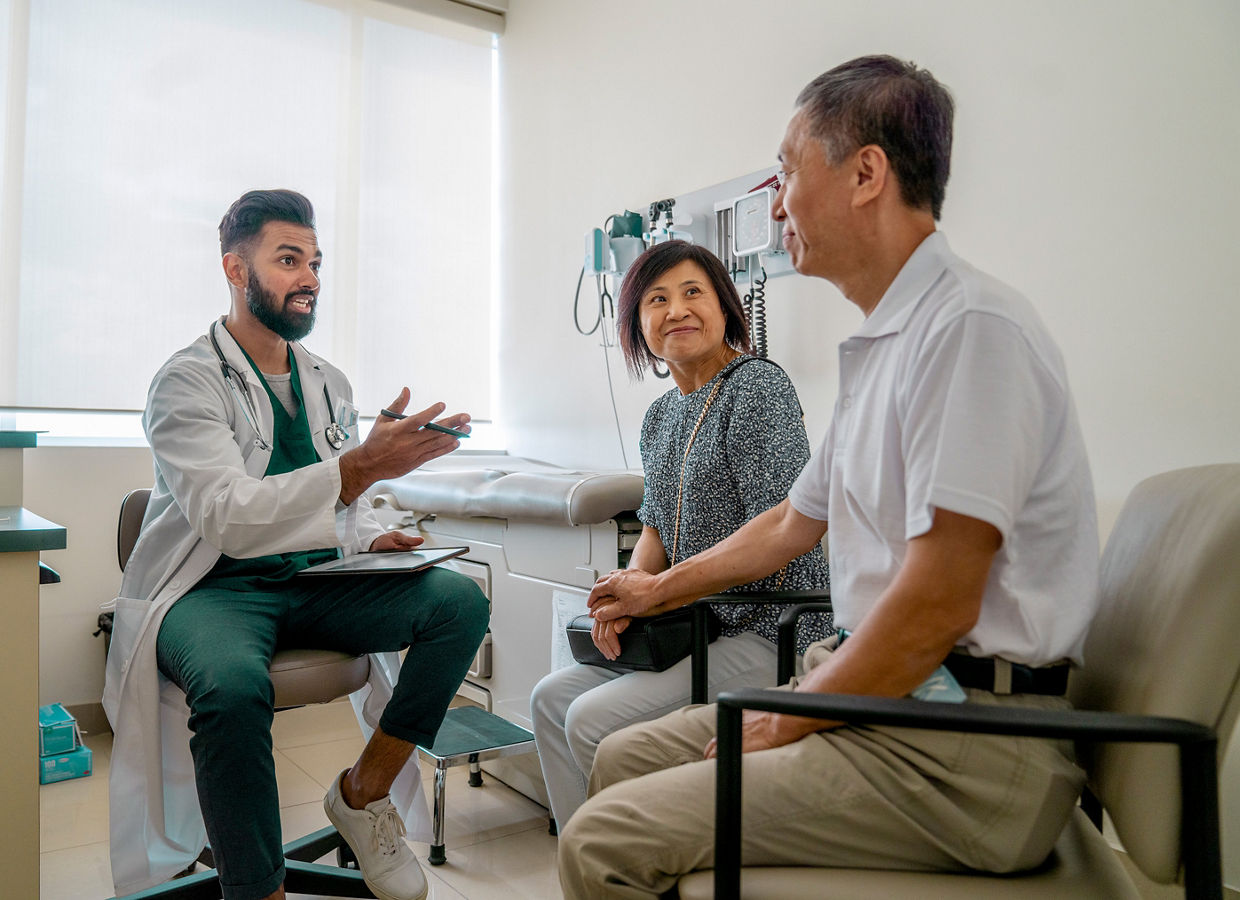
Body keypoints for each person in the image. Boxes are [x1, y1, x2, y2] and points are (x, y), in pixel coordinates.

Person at [558, 55, 1101, 899]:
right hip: (890, 698)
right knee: (622, 753)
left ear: (865, 174)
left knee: (602, 842)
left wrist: (797, 712)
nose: (773, 202)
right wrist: (649, 593)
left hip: (961, 742)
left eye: (784, 171)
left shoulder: (969, 331)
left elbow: (938, 602)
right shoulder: (884, 345)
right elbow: (787, 523)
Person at [102, 189, 490, 900]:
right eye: (288, 259)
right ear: (234, 267)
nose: (309, 276)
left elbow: (341, 499)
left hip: (315, 585)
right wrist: (360, 467)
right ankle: (258, 890)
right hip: (209, 589)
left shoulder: (326, 381)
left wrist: (377, 530)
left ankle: (363, 796)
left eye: (315, 260)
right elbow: (227, 515)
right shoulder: (185, 381)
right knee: (229, 688)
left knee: (458, 603)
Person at [530, 240, 830, 829]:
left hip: (770, 629)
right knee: (549, 700)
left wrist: (658, 591)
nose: (676, 310)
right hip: (694, 627)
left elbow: (779, 532)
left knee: (591, 721)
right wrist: (628, 590)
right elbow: (658, 527)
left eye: (693, 292)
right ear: (638, 326)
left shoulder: (758, 390)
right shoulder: (662, 416)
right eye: (657, 299)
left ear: (724, 305)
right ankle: (587, 868)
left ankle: (636, 866)